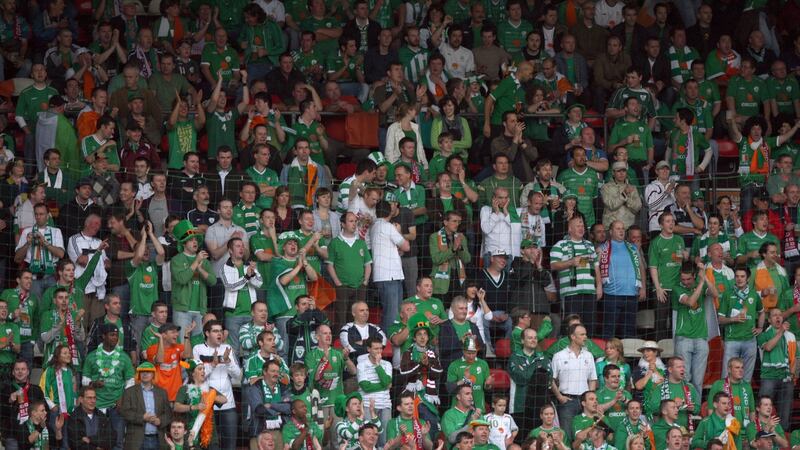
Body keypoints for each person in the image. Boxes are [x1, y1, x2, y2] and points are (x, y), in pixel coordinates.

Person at [82, 323, 136, 449]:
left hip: (116, 406)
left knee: (117, 442)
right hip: (95, 406)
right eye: (112, 335)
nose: (115, 338)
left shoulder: (124, 357)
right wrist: (93, 384)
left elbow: (130, 381)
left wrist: (123, 398)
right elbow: (84, 380)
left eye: (117, 335)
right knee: (95, 440)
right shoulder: (92, 356)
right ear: (103, 336)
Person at [192, 320, 241, 450]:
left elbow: (237, 375)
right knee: (209, 445)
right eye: (215, 331)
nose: (219, 334)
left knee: (229, 445)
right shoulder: (198, 349)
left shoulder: (227, 348)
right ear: (207, 333)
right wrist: (213, 365)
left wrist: (228, 361)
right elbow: (197, 376)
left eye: (220, 331)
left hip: (228, 404)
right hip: (207, 404)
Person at [550, 216, 601, 334]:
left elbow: (596, 267)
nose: (581, 228)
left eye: (582, 226)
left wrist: (599, 286)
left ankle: (588, 351)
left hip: (590, 292)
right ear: (570, 229)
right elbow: (553, 265)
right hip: (571, 293)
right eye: (578, 226)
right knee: (571, 326)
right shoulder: (560, 245)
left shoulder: (589, 245)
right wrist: (571, 262)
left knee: (590, 326)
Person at [550, 323, 597, 441]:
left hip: (585, 402)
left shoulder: (589, 355)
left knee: (587, 436)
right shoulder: (559, 356)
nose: (585, 337)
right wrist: (559, 397)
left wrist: (590, 398)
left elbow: (593, 379)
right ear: (573, 336)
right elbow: (551, 380)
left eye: (585, 334)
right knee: (567, 436)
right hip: (567, 401)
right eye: (582, 334)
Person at [171, 220, 216, 341]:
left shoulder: (204, 261)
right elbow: (182, 279)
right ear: (184, 244)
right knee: (182, 344)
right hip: (182, 310)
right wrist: (196, 262)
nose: (194, 241)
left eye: (196, 239)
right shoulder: (177, 260)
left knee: (198, 346)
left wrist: (200, 269)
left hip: (200, 310)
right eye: (191, 240)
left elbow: (213, 281)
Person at [326, 212, 372, 331]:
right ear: (343, 224)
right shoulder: (335, 242)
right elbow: (330, 265)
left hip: (359, 286)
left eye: (355, 221)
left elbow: (368, 264)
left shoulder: (361, 243)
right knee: (341, 317)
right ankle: (339, 344)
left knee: (358, 317)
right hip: (343, 286)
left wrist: (365, 282)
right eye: (351, 221)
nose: (354, 224)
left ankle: (356, 342)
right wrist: (338, 283)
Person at [598, 220, 644, 339]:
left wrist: (643, 288)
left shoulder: (633, 248)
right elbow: (595, 268)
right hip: (612, 295)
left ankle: (628, 358)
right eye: (618, 229)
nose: (621, 231)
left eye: (623, 228)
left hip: (631, 295)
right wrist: (598, 286)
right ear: (611, 231)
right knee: (609, 329)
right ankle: (606, 356)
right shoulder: (602, 248)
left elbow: (641, 267)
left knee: (629, 330)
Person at [399, 317, 443, 440]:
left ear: (428, 337)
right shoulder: (408, 353)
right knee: (413, 428)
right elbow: (404, 372)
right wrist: (420, 364)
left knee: (432, 425)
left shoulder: (433, 353)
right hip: (412, 396)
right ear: (414, 337)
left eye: (425, 334)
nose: (422, 337)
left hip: (429, 396)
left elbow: (438, 372)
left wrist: (428, 364)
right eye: (419, 334)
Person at [370, 200, 411, 333]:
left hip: (385, 275)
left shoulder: (375, 226)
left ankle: (388, 344)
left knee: (391, 313)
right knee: (392, 315)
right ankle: (387, 345)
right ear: (390, 212)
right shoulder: (388, 226)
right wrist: (398, 231)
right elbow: (406, 246)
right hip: (389, 276)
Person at [717, 267, 763, 381]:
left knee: (746, 377)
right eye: (737, 276)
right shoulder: (727, 294)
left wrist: (760, 328)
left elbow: (762, 312)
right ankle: (726, 398)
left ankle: (743, 398)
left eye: (742, 276)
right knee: (727, 376)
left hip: (750, 340)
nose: (739, 279)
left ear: (748, 278)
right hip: (732, 340)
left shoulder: (754, 294)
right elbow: (720, 319)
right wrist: (733, 319)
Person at [756, 308, 797, 431]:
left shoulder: (791, 336)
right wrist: (781, 332)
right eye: (774, 315)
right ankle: (762, 431)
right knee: (764, 407)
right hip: (769, 377)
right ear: (769, 320)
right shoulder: (763, 335)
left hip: (786, 377)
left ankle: (783, 435)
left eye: (780, 315)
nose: (778, 317)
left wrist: (793, 374)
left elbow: (795, 357)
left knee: (785, 410)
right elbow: (768, 347)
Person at [173, 359, 228, 450]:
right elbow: (176, 407)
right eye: (199, 369)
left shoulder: (209, 389)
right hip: (191, 435)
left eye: (203, 369)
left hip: (210, 436)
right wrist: (194, 407)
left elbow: (224, 400)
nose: (203, 371)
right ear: (192, 373)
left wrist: (209, 396)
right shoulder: (184, 389)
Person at [220, 237, 262, 354]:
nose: (241, 248)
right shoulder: (225, 267)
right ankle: (237, 373)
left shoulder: (249, 266)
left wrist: (252, 274)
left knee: (252, 348)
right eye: (238, 246)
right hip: (233, 314)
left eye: (242, 246)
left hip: (250, 313)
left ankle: (249, 372)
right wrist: (247, 277)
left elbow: (259, 283)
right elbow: (230, 286)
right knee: (234, 349)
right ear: (230, 250)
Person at [509, 328, 551, 438]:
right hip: (519, 406)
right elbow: (521, 378)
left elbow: (547, 379)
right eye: (530, 338)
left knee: (539, 441)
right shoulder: (514, 357)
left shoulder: (543, 357)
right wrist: (537, 371)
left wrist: (530, 372)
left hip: (539, 408)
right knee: (521, 440)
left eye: (535, 338)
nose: (533, 340)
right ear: (522, 341)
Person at [119, 362, 172, 450]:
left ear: (153, 374)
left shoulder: (162, 392)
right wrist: (142, 417)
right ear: (139, 374)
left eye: (148, 371)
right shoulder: (129, 392)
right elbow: (124, 412)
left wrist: (160, 421)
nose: (145, 373)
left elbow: (168, 414)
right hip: (136, 440)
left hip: (157, 438)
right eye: (142, 371)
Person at [245, 359, 291, 449]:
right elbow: (259, 409)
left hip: (280, 433)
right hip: (260, 432)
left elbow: (289, 407)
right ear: (264, 372)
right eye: (273, 371)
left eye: (278, 371)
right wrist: (278, 410)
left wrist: (271, 405)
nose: (276, 374)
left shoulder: (283, 387)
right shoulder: (255, 387)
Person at [0, 360, 45, 450]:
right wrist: (9, 401)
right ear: (13, 372)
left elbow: (45, 410)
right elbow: (1, 414)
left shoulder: (36, 390)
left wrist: (40, 427)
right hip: (12, 435)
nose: (20, 371)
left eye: (23, 369)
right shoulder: (5, 390)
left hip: (34, 432)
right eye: (17, 369)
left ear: (28, 372)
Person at [643, 357, 699, 428]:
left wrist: (692, 408)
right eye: (679, 367)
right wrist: (672, 404)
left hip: (685, 431)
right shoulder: (660, 387)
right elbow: (653, 409)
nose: (682, 369)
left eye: (683, 367)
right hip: (664, 430)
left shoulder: (690, 387)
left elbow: (697, 409)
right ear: (670, 369)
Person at [145, 323, 194, 402]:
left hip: (176, 395)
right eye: (173, 332)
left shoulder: (178, 347)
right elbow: (160, 360)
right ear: (164, 335)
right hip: (158, 395)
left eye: (177, 332)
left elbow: (188, 355)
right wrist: (160, 339)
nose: (177, 334)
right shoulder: (152, 349)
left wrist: (186, 335)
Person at [67, 386, 116, 450]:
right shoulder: (75, 417)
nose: (93, 401)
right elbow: (75, 443)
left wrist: (90, 440)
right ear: (81, 399)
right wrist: (96, 448)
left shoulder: (102, 416)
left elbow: (111, 439)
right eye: (89, 398)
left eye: (94, 398)